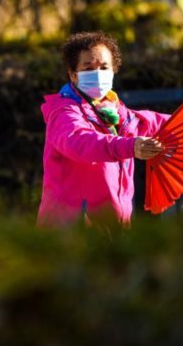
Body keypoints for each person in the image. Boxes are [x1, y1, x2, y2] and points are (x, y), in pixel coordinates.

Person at [37, 31, 168, 227]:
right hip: (70, 233)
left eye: (104, 67)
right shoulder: (63, 112)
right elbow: (79, 141)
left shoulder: (114, 111)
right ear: (73, 74)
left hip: (112, 231)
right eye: (88, 68)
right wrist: (130, 147)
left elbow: (147, 122)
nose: (97, 74)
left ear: (114, 71)